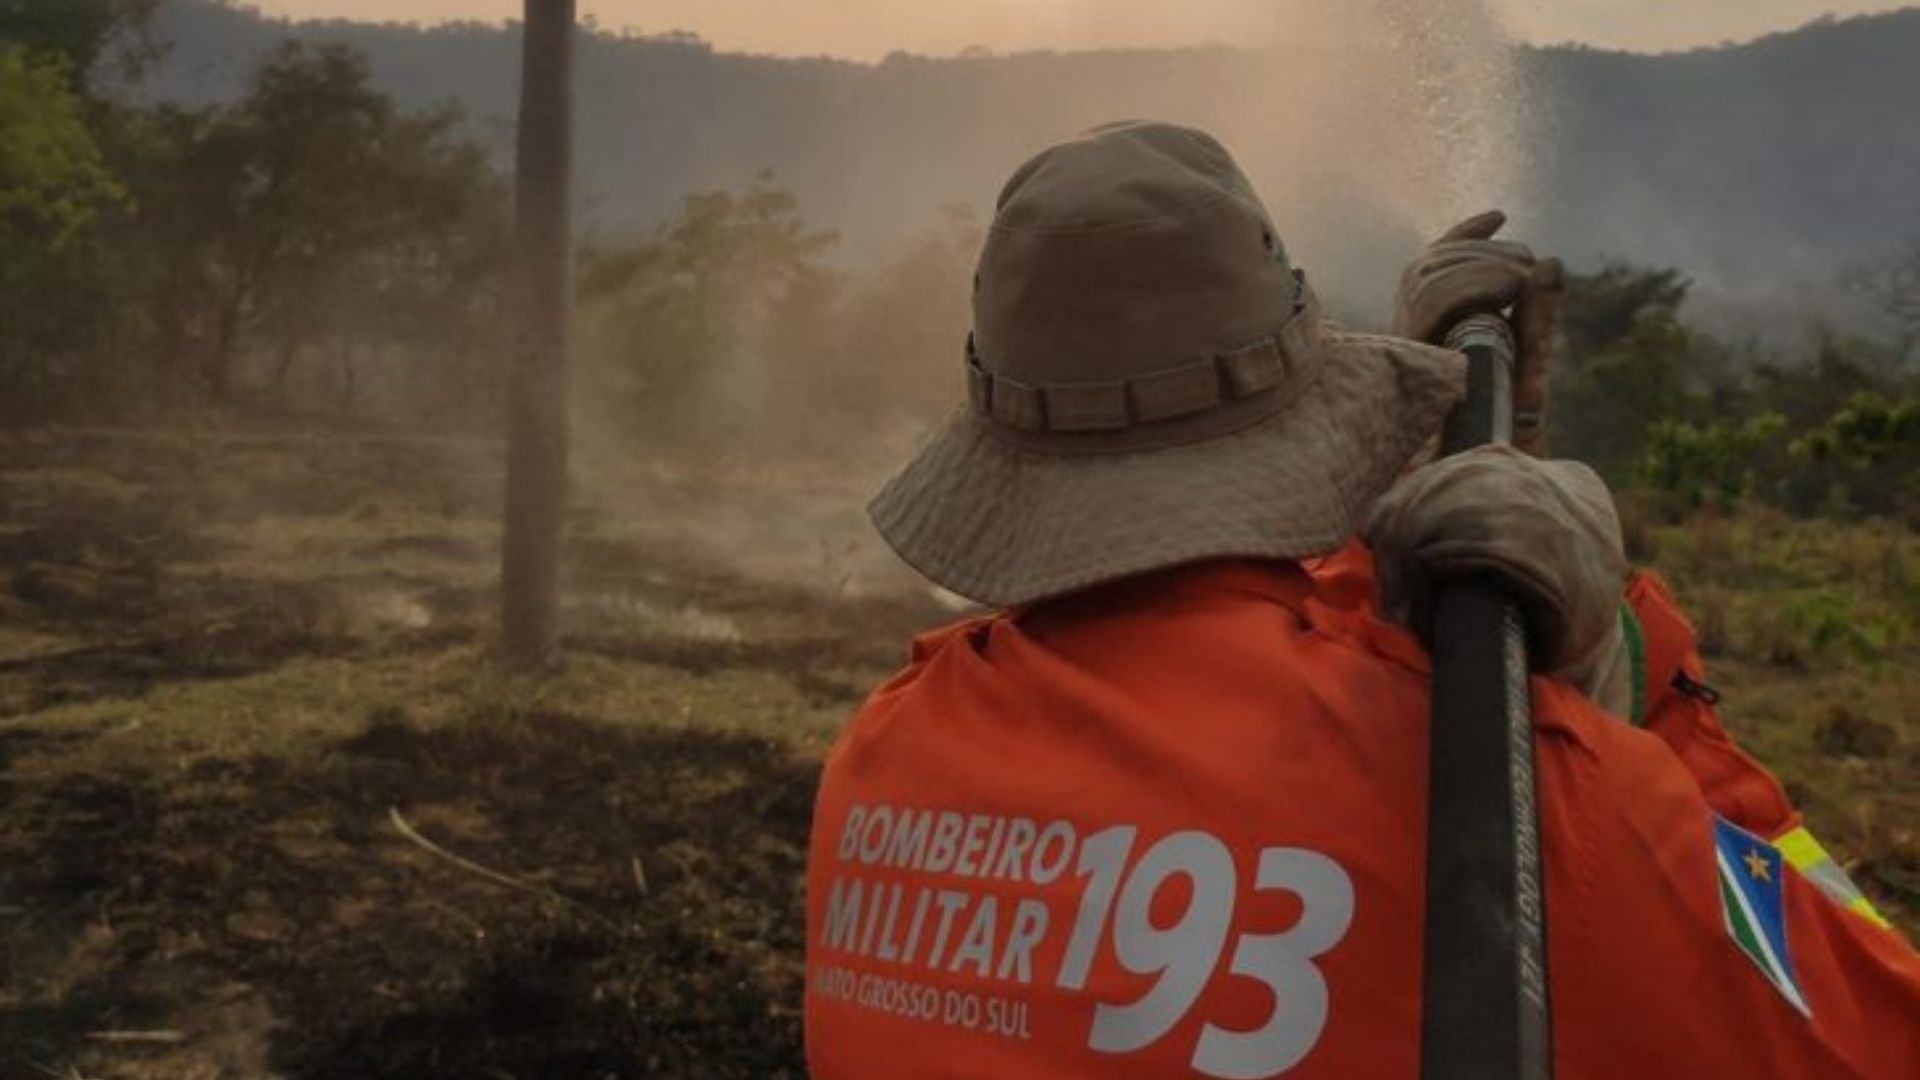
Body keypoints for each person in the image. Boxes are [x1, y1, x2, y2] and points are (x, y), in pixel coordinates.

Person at [803, 121, 1917, 1079]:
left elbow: (1211, 648)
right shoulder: (1515, 797)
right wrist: (1623, 680)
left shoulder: (883, 757)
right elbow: (1873, 1019)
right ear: (1300, 390)